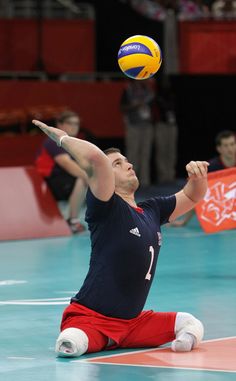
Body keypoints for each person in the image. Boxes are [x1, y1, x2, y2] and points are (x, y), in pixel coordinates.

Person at [32, 118, 208, 358]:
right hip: (91, 319)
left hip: (133, 324)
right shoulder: (106, 206)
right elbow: (96, 160)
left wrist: (198, 177)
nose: (128, 164)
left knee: (191, 323)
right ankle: (89, 340)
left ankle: (175, 344)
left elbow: (193, 195)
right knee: (71, 341)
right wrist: (62, 138)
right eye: (118, 163)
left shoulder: (152, 210)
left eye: (126, 160)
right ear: (106, 175)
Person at [35, 110, 88, 233]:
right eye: (70, 123)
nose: (74, 126)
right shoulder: (54, 141)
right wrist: (91, 178)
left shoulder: (72, 143)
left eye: (77, 124)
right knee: (82, 179)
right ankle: (73, 221)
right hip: (47, 183)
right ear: (59, 124)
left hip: (61, 179)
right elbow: (67, 164)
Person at [171, 129, 236, 227]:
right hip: (221, 207)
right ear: (219, 149)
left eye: (232, 144)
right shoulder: (211, 167)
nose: (230, 149)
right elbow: (194, 193)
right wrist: (184, 221)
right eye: (226, 145)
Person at [120, 79, 155, 187]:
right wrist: (135, 105)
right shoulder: (128, 90)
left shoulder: (147, 90)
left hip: (146, 125)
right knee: (133, 153)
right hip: (133, 125)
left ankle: (144, 181)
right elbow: (122, 107)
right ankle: (130, 180)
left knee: (145, 153)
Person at [153, 79, 178, 184]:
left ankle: (170, 175)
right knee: (162, 151)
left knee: (171, 151)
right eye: (164, 82)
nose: (166, 84)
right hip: (161, 125)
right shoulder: (156, 97)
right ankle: (162, 176)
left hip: (171, 125)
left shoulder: (173, 96)